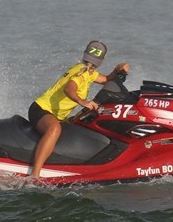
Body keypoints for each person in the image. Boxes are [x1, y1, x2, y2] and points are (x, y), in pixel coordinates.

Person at [28, 40, 130, 178]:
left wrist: (118, 70)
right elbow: (69, 89)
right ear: (102, 60)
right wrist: (83, 102)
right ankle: (34, 175)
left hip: (56, 115)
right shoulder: (81, 72)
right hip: (41, 109)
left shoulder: (88, 72)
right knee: (54, 129)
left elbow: (106, 80)